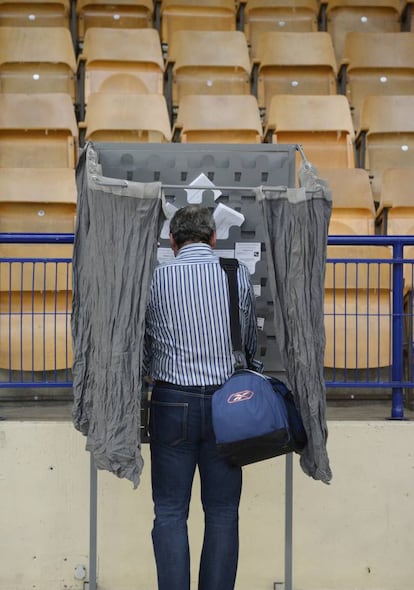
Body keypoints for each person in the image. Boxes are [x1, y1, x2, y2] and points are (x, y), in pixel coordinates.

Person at [143, 204, 257, 590]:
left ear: (172, 242)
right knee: (223, 512)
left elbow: (142, 350)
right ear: (213, 238)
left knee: (171, 512)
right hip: (228, 404)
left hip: (171, 402)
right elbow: (250, 348)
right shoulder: (234, 274)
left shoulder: (155, 280)